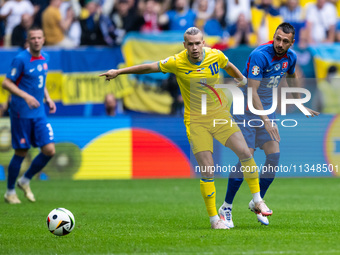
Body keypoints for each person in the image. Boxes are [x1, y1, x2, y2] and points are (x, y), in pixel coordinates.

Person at [99, 27, 272, 229]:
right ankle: (214, 220)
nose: (194, 47)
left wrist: (242, 80)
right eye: (190, 44)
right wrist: (119, 72)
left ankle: (257, 200)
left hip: (219, 115)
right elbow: (148, 68)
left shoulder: (215, 56)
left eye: (198, 43)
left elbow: (230, 66)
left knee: (245, 152)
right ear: (185, 45)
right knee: (208, 169)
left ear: (203, 43)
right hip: (196, 120)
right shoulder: (177, 62)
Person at [219, 23, 319, 228]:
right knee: (247, 156)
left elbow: (291, 77)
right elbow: (252, 92)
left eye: (285, 41)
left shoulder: (290, 58)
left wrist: (299, 103)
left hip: (266, 109)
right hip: (246, 109)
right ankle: (226, 207)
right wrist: (266, 121)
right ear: (274, 36)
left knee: (274, 157)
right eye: (277, 38)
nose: (280, 44)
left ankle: (257, 201)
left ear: (292, 43)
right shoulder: (260, 55)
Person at [2, 27, 56, 204]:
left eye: (39, 37)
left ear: (44, 39)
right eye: (33, 38)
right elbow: (6, 83)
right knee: (21, 151)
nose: (36, 41)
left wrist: (48, 98)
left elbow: (40, 80)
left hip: (39, 112)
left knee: (49, 150)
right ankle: (10, 192)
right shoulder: (20, 59)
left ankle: (25, 180)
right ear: (28, 40)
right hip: (21, 112)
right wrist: (26, 96)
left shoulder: (45, 57)